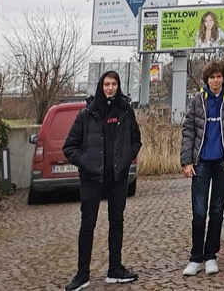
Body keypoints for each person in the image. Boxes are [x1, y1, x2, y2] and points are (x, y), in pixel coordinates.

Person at [62, 70, 141, 291]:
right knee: (87, 224)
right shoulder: (87, 113)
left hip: (117, 178)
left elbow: (136, 140)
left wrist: (125, 159)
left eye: (113, 84)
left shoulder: (125, 111)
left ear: (118, 86)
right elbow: (69, 146)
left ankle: (115, 269)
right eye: (106, 84)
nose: (110, 88)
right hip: (91, 179)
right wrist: (86, 162)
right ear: (100, 86)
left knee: (117, 222)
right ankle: (82, 274)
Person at [180, 59, 224, 276]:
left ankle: (210, 256)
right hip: (201, 163)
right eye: (212, 77)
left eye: (219, 77)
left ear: (223, 78)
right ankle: (195, 257)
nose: (216, 80)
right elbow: (189, 129)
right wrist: (187, 161)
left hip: (223, 164)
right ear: (206, 80)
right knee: (199, 213)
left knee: (216, 212)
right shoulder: (198, 100)